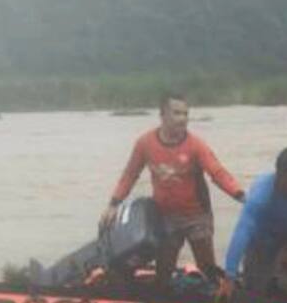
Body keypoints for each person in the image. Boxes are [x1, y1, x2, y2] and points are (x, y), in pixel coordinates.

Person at [102, 93, 244, 289]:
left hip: (197, 214)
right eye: (177, 113)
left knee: (207, 267)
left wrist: (241, 196)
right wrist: (113, 204)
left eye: (186, 114)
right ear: (162, 115)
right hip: (165, 215)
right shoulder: (145, 143)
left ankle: (219, 294)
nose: (183, 118)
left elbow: (217, 172)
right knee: (164, 270)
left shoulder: (196, 145)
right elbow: (129, 175)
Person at [219, 147, 287, 300]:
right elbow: (242, 231)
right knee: (255, 289)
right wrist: (229, 275)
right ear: (282, 175)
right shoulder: (261, 195)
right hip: (261, 241)